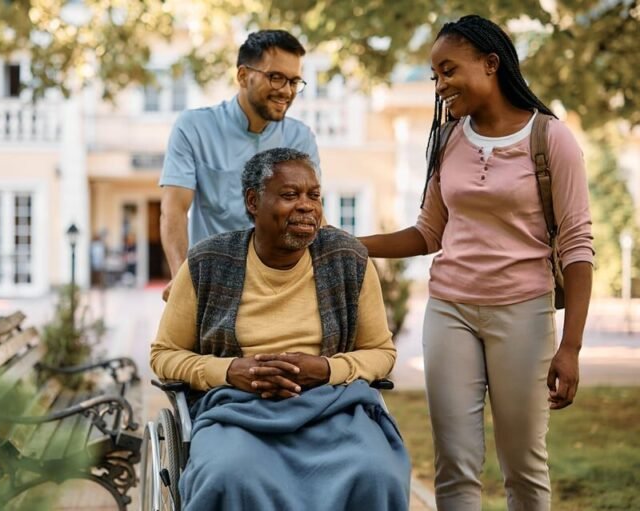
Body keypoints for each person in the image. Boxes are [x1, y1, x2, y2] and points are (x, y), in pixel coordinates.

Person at [359, 15, 593, 511]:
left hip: (523, 313)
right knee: (455, 463)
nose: (439, 85)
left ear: (491, 64)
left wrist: (570, 347)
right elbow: (428, 233)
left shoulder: (551, 138)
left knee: (523, 464)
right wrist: (351, 244)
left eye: (449, 71)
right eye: (435, 76)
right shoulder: (448, 140)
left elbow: (577, 247)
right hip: (450, 311)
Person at [151, 148, 410, 511]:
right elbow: (164, 355)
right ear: (253, 201)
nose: (307, 206)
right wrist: (230, 371)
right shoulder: (207, 262)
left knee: (376, 471)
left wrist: (326, 369)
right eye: (290, 195)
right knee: (227, 474)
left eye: (314, 195)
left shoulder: (348, 260)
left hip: (332, 407)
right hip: (236, 411)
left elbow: (381, 352)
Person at [159, 29, 320, 300]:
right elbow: (174, 209)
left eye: (294, 81)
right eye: (276, 77)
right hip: (213, 285)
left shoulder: (300, 138)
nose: (286, 90)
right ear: (243, 76)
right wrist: (181, 278)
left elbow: (311, 215)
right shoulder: (193, 128)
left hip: (281, 288)